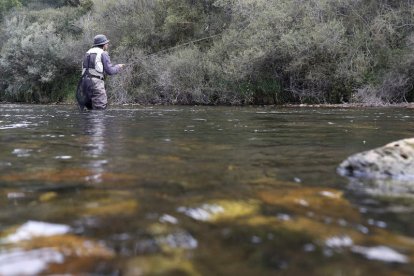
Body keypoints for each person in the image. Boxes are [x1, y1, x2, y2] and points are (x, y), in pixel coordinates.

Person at [76, 34, 125, 110]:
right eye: (106, 43)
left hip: (84, 83)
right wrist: (118, 67)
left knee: (88, 110)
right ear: (103, 44)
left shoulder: (87, 52)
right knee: (100, 110)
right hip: (96, 83)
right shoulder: (103, 53)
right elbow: (110, 71)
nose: (107, 44)